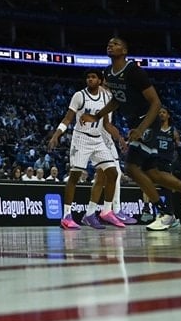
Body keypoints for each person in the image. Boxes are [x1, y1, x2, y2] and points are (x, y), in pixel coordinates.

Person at [88, 37, 175, 230]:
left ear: (125, 51)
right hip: (136, 124)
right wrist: (99, 114)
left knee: (134, 168)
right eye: (109, 43)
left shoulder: (134, 71)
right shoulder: (108, 73)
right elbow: (117, 100)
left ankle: (165, 213)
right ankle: (171, 209)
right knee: (151, 171)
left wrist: (142, 128)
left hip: (147, 122)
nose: (110, 45)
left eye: (116, 43)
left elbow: (156, 102)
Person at [48, 70, 128, 230]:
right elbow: (68, 118)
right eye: (88, 77)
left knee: (113, 173)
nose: (90, 79)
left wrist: (119, 138)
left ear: (100, 80)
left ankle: (106, 211)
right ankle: (66, 216)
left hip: (98, 139)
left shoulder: (106, 97)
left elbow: (106, 124)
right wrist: (56, 134)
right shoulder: (79, 95)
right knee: (74, 176)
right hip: (81, 139)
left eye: (93, 77)